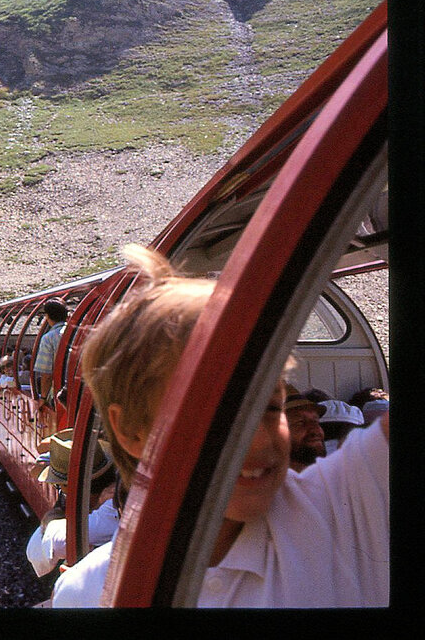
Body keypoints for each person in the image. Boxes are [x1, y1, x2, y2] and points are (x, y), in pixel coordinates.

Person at [51, 244, 389, 608]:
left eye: (271, 407)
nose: (258, 440)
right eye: (212, 417)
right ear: (132, 430)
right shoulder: (89, 595)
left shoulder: (346, 504)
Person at [26, 428, 119, 579]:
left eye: (59, 486)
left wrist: (50, 520)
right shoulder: (107, 499)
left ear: (71, 487)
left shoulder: (111, 508)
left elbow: (54, 545)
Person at [284, 387, 326, 472]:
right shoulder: (264, 483)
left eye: (316, 421)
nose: (315, 430)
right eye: (300, 422)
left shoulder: (330, 478)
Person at [34, 300, 68, 404]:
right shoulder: (77, 331)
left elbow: (46, 373)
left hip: (60, 392)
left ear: (48, 316)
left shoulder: (49, 338)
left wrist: (43, 398)